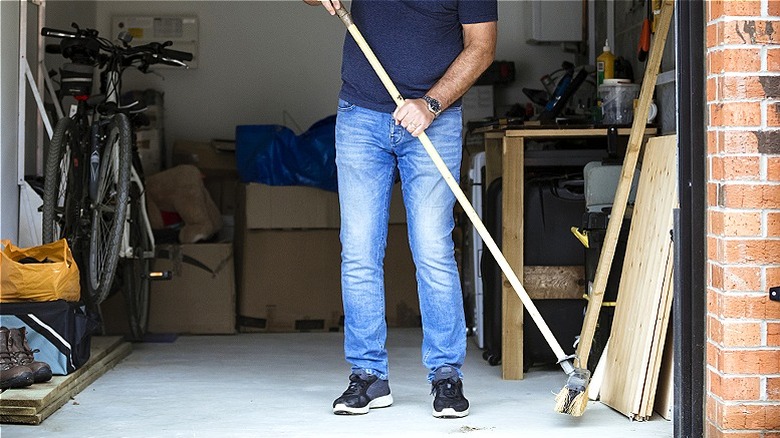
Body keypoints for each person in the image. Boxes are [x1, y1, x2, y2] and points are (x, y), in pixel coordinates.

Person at [305, 0, 497, 418]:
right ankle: (368, 375)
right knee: (358, 250)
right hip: (360, 115)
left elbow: (481, 47)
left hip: (436, 119)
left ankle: (446, 374)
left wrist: (431, 104)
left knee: (432, 248)